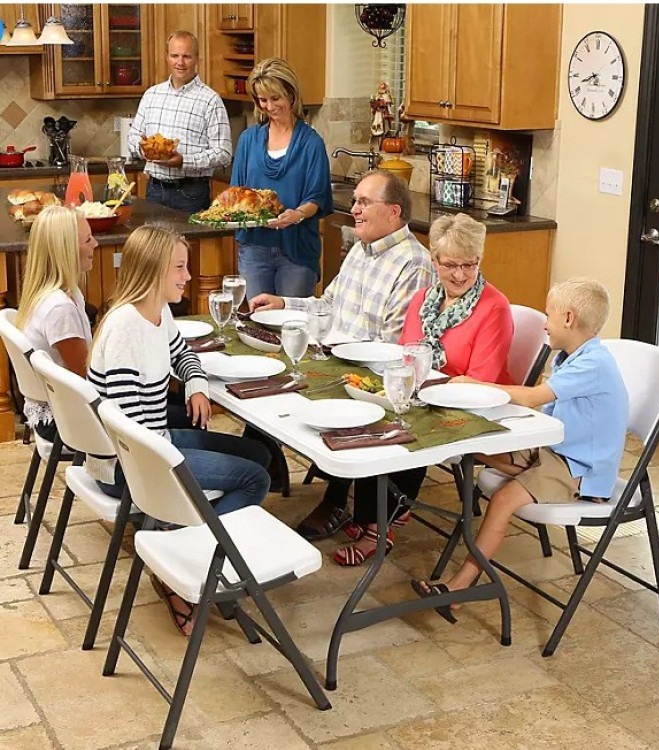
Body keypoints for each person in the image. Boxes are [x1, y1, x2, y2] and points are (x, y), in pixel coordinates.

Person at [87, 225, 271, 636]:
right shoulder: (125, 329)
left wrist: (197, 384)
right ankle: (183, 560)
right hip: (129, 467)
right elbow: (131, 434)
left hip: (153, 445)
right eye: (180, 267)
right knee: (255, 479)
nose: (188, 276)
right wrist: (176, 469)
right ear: (153, 270)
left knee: (260, 455)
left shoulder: (156, 311)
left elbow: (183, 354)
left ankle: (184, 539)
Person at [411, 277, 629, 622]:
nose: (545, 323)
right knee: (473, 448)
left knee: (503, 499)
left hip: (579, 468)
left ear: (568, 318)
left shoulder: (593, 364)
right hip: (554, 450)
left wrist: (477, 385)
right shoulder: (572, 357)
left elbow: (532, 397)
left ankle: (460, 587)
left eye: (549, 314)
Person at [250, 170, 434, 539]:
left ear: (394, 211)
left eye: (364, 202)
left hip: (370, 374)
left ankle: (335, 499)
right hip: (336, 357)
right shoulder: (361, 251)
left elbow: (390, 344)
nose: (355, 209)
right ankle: (256, 473)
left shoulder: (413, 263)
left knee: (288, 384)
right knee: (263, 379)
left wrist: (332, 352)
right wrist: (284, 303)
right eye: (355, 202)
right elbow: (326, 306)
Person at [334, 213, 515, 566]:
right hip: (426, 394)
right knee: (377, 415)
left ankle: (381, 526)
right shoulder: (421, 300)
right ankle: (375, 512)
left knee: (404, 427)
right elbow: (405, 356)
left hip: (472, 406)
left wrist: (425, 390)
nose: (460, 275)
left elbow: (481, 379)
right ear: (434, 260)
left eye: (469, 264)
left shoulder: (494, 307)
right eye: (450, 265)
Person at [231, 57, 333, 299]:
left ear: (291, 94)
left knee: (292, 318)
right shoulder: (248, 140)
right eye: (262, 100)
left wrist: (296, 215)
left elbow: (316, 198)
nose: (269, 106)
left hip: (296, 250)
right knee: (257, 317)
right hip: (254, 249)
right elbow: (236, 193)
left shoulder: (311, 143)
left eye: (275, 98)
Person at [15, 205, 98, 442]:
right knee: (168, 412)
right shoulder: (60, 309)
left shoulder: (54, 294)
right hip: (64, 422)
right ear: (66, 251)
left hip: (61, 408)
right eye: (88, 240)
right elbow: (87, 377)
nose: (95, 244)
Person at [128, 31, 232, 213]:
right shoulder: (152, 95)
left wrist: (184, 161)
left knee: (188, 234)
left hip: (191, 193)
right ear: (167, 57)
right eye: (175, 56)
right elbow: (133, 138)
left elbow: (224, 153)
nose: (180, 62)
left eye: (186, 56)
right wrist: (143, 149)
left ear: (197, 59)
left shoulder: (210, 100)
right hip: (154, 190)